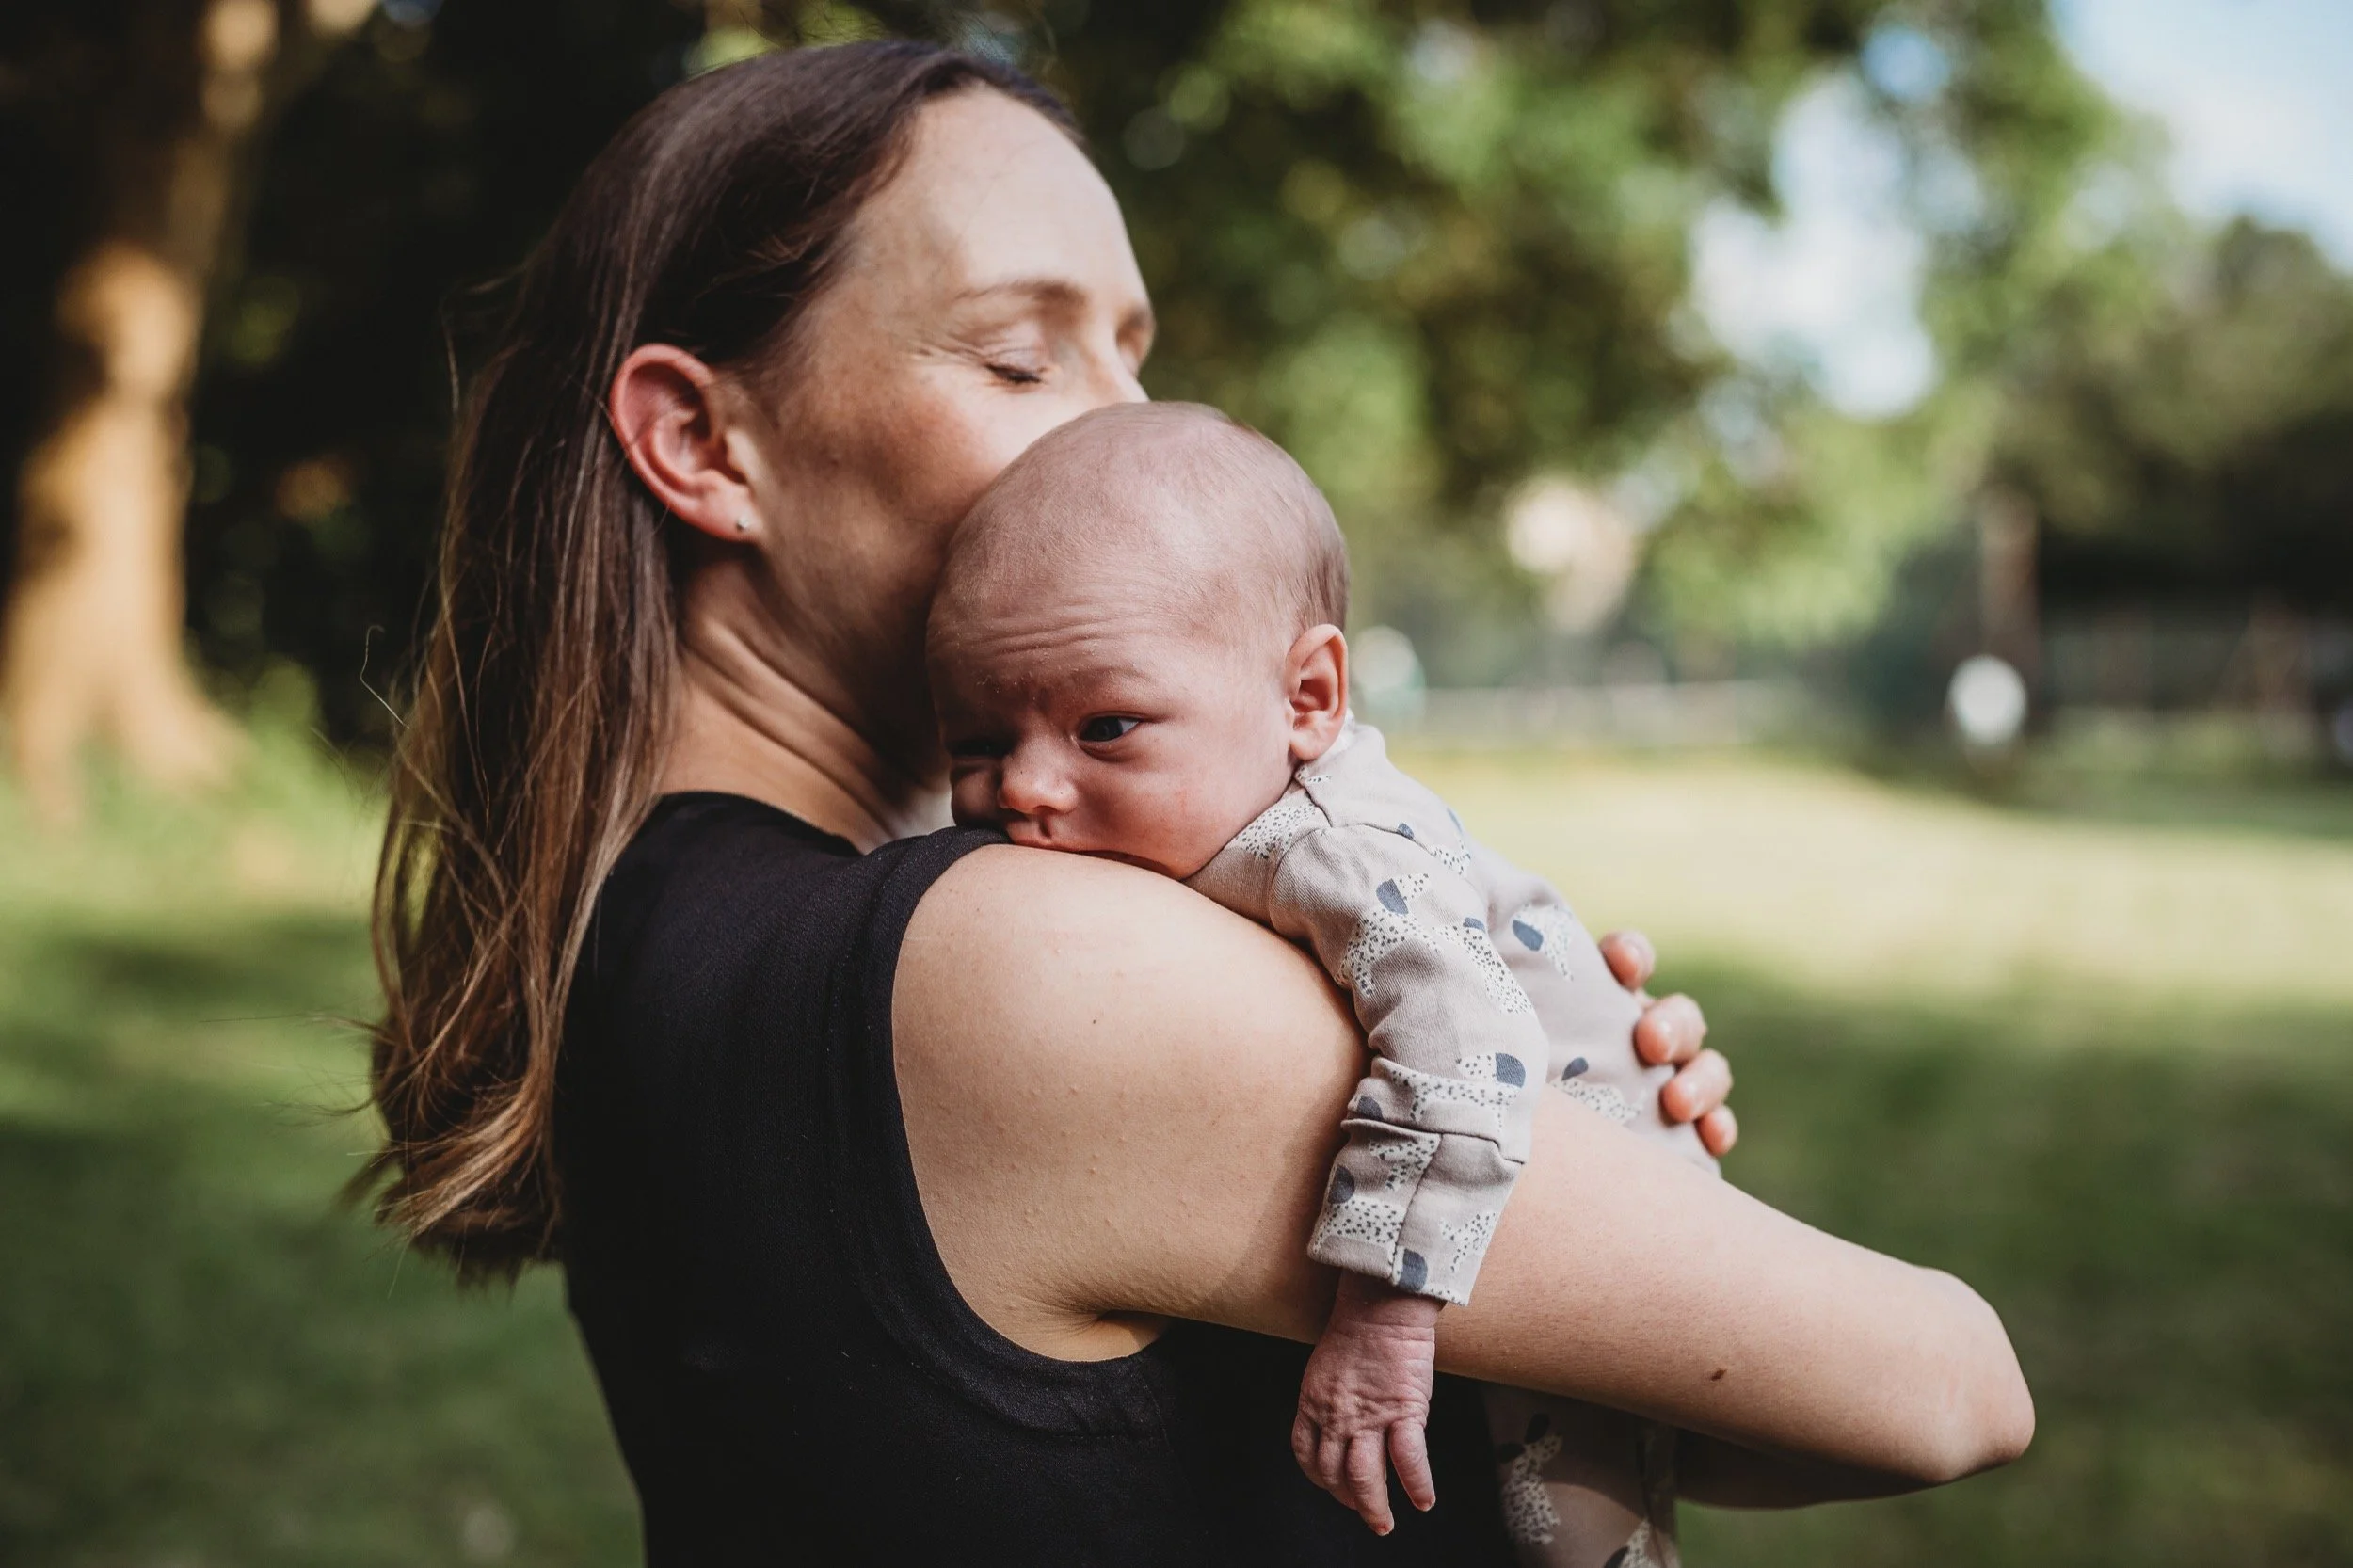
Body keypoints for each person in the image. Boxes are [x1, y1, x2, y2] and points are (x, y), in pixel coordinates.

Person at [364, 40, 2032, 1566]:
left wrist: (1576, 1150)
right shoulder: (1033, 968)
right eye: (1020, 355)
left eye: (1136, 356)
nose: (1133, 432)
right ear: (702, 442)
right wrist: (1624, 1187)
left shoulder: (637, 933)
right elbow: (1947, 1386)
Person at [925, 398, 1720, 1565]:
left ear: (1307, 700)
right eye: (978, 747)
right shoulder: (1203, 797)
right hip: (1522, 1195)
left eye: (1105, 726)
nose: (1026, 788)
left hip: (1592, 1197)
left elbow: (1463, 1047)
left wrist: (1383, 1316)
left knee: (1573, 1529)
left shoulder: (1330, 849)